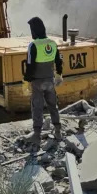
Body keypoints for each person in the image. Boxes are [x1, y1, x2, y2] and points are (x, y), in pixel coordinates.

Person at [23, 16, 63, 147]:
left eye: (31, 30)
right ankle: (58, 131)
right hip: (50, 81)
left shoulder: (33, 45)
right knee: (53, 105)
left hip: (37, 82)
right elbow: (58, 61)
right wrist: (59, 74)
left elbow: (30, 65)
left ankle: (36, 135)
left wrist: (26, 81)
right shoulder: (52, 43)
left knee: (37, 107)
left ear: (34, 30)